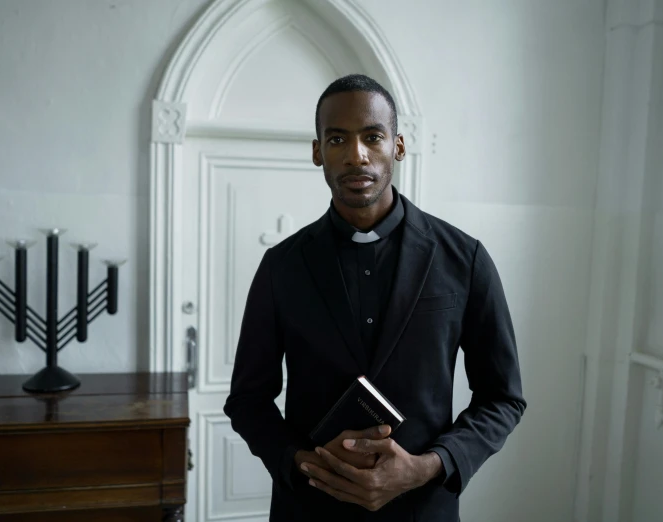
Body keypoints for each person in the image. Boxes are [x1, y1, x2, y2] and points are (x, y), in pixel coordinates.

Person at [224, 74, 526, 521]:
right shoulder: (281, 266)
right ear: (317, 151)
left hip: (422, 509)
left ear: (398, 147)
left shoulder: (465, 259)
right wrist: (301, 462)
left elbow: (503, 398)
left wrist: (429, 466)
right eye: (337, 139)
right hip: (310, 509)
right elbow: (247, 400)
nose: (356, 155)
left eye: (372, 137)